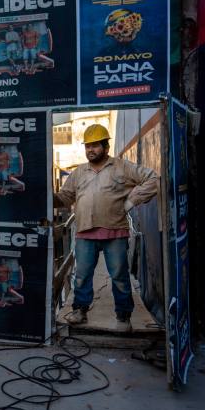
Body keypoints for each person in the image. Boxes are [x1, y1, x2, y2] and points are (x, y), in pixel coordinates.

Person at [54, 124, 158, 332]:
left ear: (105, 146)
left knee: (119, 275)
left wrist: (131, 202)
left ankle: (123, 317)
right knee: (82, 275)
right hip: (85, 231)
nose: (90, 150)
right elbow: (66, 197)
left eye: (95, 145)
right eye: (88, 146)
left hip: (115, 230)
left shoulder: (121, 167)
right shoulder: (79, 172)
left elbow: (153, 179)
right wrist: (48, 197)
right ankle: (80, 311)